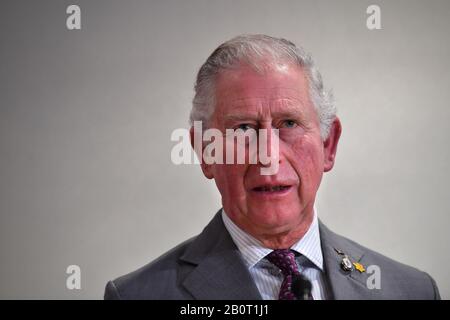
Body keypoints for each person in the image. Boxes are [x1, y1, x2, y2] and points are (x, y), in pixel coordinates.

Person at [104, 34, 440, 300]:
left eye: (289, 123)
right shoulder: (138, 295)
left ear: (328, 144)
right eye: (244, 130)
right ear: (206, 151)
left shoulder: (412, 290)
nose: (268, 156)